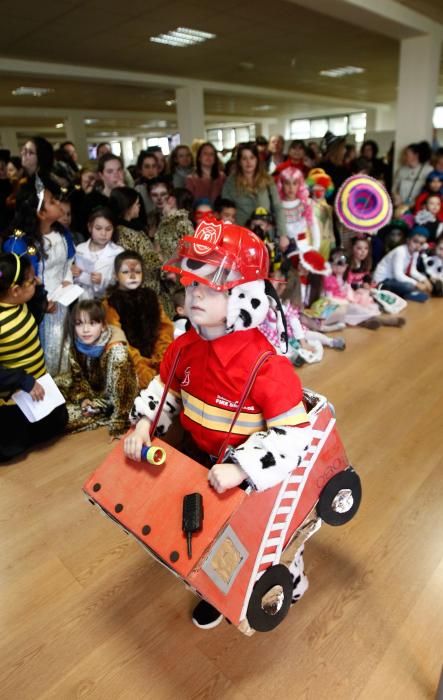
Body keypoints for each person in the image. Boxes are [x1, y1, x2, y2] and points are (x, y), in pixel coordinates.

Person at [124, 220, 313, 629]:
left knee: (260, 537)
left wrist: (242, 468)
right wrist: (143, 424)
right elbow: (165, 391)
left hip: (249, 476)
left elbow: (293, 434)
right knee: (199, 531)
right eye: (191, 285)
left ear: (244, 296)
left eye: (209, 287)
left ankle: (290, 572)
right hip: (200, 460)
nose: (194, 296)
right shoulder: (184, 346)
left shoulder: (267, 367)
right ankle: (211, 586)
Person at [0, 253, 68, 462]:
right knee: (11, 449)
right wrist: (23, 381)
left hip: (39, 386)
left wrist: (37, 290)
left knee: (59, 423)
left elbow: (36, 310)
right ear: (15, 290)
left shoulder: (20, 303)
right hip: (15, 392)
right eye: (31, 280)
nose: (37, 281)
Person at [56, 299, 137, 437]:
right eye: (79, 324)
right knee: (55, 384)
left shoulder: (116, 351)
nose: (85, 330)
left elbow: (122, 394)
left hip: (113, 400)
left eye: (92, 323)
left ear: (103, 326)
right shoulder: (77, 345)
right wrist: (83, 399)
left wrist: (118, 424)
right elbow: (78, 378)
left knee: (60, 418)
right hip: (93, 391)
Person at [104, 251, 173, 386]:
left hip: (156, 361)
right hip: (130, 366)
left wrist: (160, 360)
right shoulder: (110, 303)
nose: (132, 276)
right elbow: (118, 343)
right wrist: (142, 369)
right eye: (125, 272)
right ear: (115, 276)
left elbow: (165, 329)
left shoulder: (151, 297)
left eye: (137, 271)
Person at [222, 142, 286, 235]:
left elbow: (278, 207)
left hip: (266, 235)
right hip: (241, 235)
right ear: (239, 161)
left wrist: (282, 234)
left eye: (252, 157)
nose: (249, 162)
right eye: (244, 158)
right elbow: (226, 211)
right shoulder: (231, 182)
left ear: (257, 159)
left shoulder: (267, 180)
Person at [73, 207, 123, 299]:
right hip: (83, 301)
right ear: (90, 227)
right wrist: (74, 273)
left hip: (107, 301)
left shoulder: (118, 252)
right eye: (98, 228)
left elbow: (121, 281)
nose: (103, 233)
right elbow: (75, 280)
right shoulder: (80, 249)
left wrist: (102, 280)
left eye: (108, 229)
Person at [373, 225, 433, 302]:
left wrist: (425, 280)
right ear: (408, 240)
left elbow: (412, 271)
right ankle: (406, 294)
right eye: (415, 241)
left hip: (394, 279)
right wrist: (417, 284)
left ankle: (407, 293)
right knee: (408, 286)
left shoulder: (415, 252)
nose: (418, 245)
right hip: (382, 281)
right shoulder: (400, 251)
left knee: (423, 275)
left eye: (421, 243)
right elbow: (398, 275)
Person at [275, 166, 320, 251]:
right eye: (287, 183)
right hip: (283, 248)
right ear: (281, 184)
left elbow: (314, 226)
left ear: (300, 185)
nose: (291, 187)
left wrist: (316, 247)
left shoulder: (305, 203)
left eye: (295, 183)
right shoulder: (277, 206)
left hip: (302, 247)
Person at [306, 168, 335, 260]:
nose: (318, 193)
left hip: (326, 243)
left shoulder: (329, 208)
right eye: (315, 190)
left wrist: (333, 243)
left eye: (322, 190)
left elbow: (330, 227)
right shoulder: (307, 205)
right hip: (311, 242)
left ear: (326, 191)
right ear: (311, 191)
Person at [392, 142, 433, 207]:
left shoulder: (428, 170)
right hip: (401, 207)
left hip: (419, 207)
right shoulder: (401, 170)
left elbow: (432, 190)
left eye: (406, 154)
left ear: (416, 155)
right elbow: (394, 188)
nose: (404, 157)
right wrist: (396, 197)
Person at [419, 232, 443, 296]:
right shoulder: (428, 257)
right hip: (428, 279)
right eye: (440, 249)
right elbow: (425, 271)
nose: (442, 253)